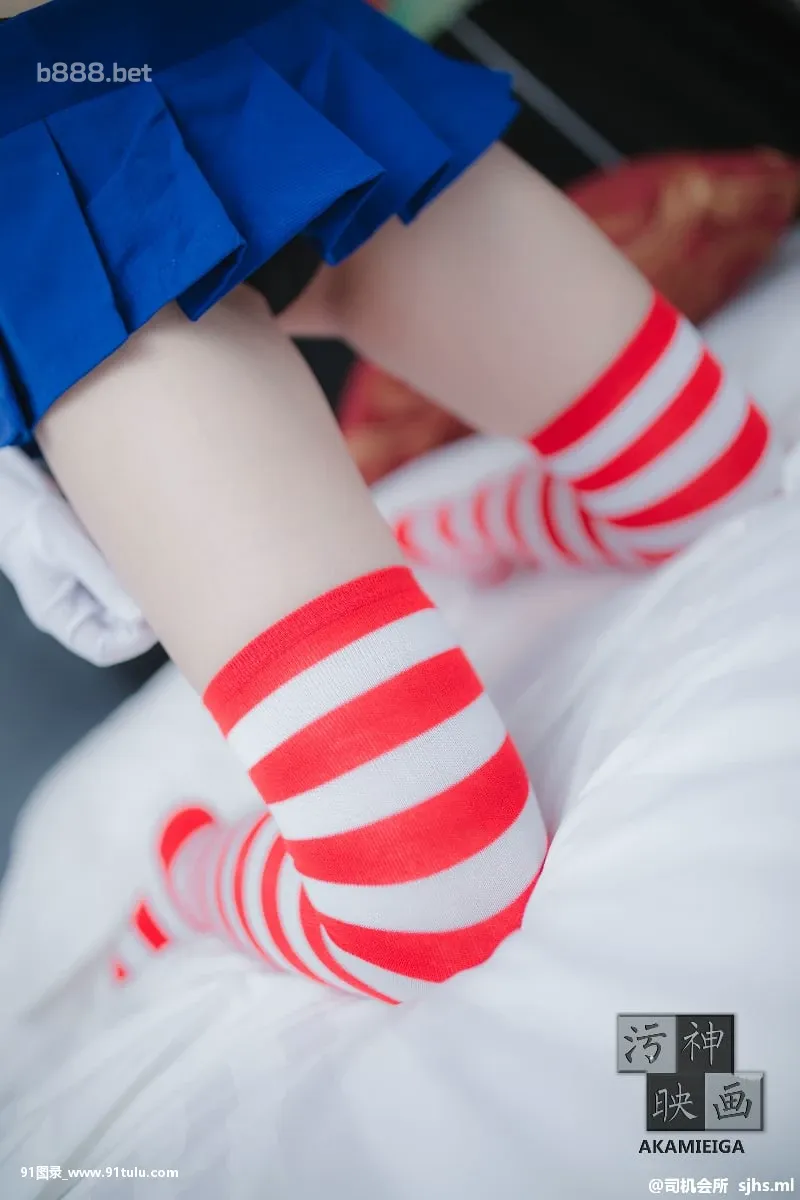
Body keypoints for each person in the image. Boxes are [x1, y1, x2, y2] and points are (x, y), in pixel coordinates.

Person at [1, 0, 782, 1002]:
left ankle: (458, 529)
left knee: (713, 485)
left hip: (244, 37)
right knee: (437, 901)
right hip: (40, 164)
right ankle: (189, 873)